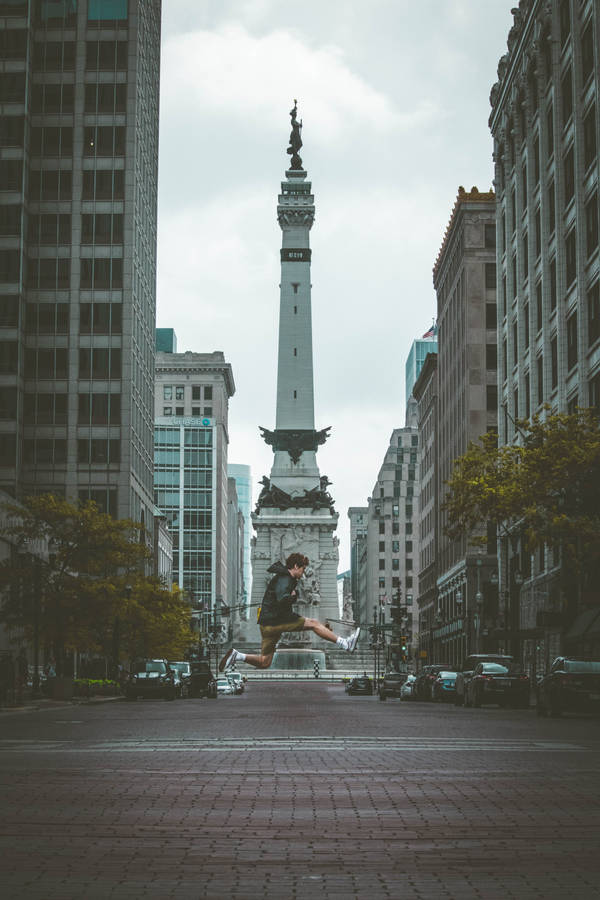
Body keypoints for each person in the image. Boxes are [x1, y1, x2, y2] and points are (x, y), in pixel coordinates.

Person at [219, 552, 360, 672]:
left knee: (264, 662)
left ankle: (237, 656)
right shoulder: (285, 578)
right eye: (303, 569)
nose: (304, 572)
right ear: (296, 566)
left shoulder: (283, 578)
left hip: (268, 624)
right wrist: (293, 596)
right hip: (276, 621)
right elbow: (282, 599)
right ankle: (345, 643)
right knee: (314, 623)